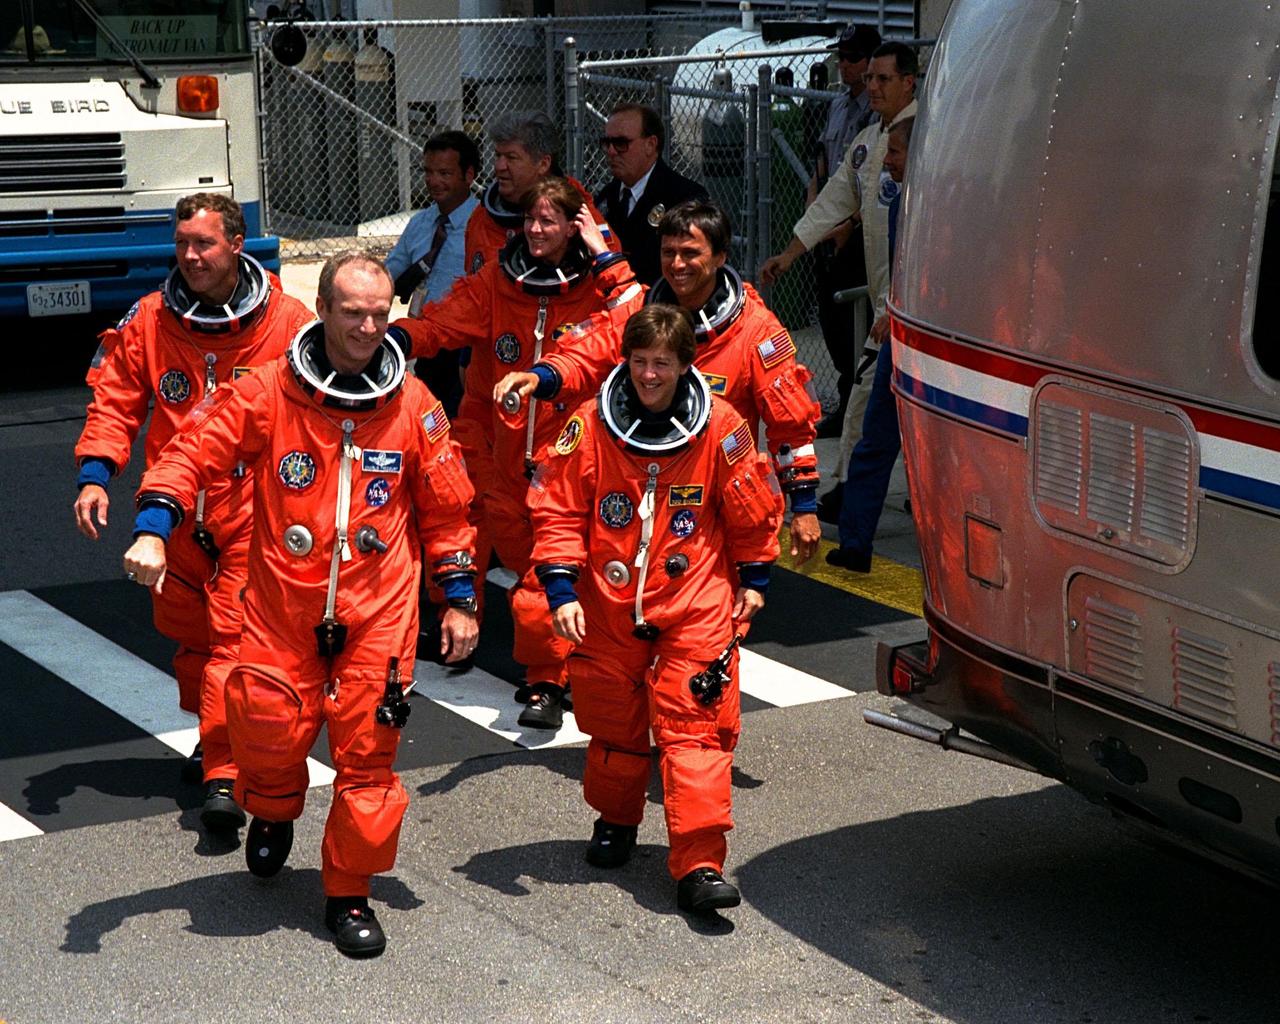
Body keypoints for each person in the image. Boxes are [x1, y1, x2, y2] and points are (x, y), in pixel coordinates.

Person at [122, 251, 479, 958]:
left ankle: (348, 893)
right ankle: (273, 809)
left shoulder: (413, 404)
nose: (369, 328)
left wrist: (460, 597)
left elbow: (447, 510)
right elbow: (190, 453)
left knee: (369, 761)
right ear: (322, 309)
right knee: (268, 731)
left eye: (379, 315)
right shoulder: (268, 391)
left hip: (378, 612)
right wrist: (154, 528)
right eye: (353, 313)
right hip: (282, 607)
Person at [528, 303, 783, 915]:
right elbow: (558, 508)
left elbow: (749, 506)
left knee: (695, 731)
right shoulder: (590, 424)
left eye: (662, 364)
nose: (648, 375)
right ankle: (616, 821)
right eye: (639, 361)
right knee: (615, 725)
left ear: (685, 366)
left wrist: (756, 577)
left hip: (694, 599)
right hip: (608, 602)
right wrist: (561, 590)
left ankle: (699, 863)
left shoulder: (721, 425)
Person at [73, 192, 313, 833]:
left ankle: (224, 776)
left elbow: (318, 413)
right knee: (192, 639)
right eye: (181, 244)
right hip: (172, 511)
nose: (190, 256)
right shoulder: (151, 319)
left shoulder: (287, 322)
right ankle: (215, 739)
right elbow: (115, 401)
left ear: (236, 243)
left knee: (233, 644)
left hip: (251, 509)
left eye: (203, 243)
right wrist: (95, 476)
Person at [392, 178, 635, 730]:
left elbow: (630, 322)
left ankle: (545, 681)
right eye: (530, 220)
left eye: (548, 221)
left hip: (567, 453)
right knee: (468, 532)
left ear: (575, 226)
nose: (535, 230)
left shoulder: (597, 288)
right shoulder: (498, 281)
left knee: (544, 574)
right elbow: (441, 323)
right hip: (501, 450)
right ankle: (461, 624)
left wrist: (604, 256)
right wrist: (396, 340)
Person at [494, 200, 822, 567]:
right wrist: (538, 376)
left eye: (690, 253)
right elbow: (588, 352)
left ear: (720, 257)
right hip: (637, 492)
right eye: (669, 253)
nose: (677, 264)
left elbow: (790, 423)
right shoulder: (642, 313)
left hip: (714, 500)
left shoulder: (756, 331)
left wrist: (804, 505)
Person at [761, 41, 917, 478]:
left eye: (883, 78)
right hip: (884, 299)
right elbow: (832, 201)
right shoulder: (869, 141)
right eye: (869, 78)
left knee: (876, 401)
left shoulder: (924, 138)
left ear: (909, 82)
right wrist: (790, 253)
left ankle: (851, 487)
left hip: (909, 302)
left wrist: (896, 305)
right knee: (878, 402)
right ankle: (855, 486)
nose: (872, 87)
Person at [827, 117, 914, 572]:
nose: (887, 162)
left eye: (895, 152)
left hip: (925, 346)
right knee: (875, 439)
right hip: (900, 337)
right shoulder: (900, 203)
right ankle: (855, 542)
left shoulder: (944, 206)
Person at [810, 23, 881, 437]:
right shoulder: (838, 105)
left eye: (853, 58)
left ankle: (861, 403)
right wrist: (814, 208)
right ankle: (846, 395)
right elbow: (822, 160)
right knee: (831, 315)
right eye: (842, 57)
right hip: (829, 225)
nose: (844, 65)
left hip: (859, 228)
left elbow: (872, 181)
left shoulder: (877, 110)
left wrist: (847, 225)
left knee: (859, 317)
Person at [384, 130, 481, 419]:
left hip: (465, 349)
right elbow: (387, 276)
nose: (433, 181)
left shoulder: (483, 226)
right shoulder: (420, 223)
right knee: (427, 419)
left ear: (469, 175)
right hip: (425, 342)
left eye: (444, 173)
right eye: (428, 172)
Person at [594, 103, 706, 286]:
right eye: (607, 143)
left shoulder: (685, 199)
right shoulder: (605, 197)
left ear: (650, 145)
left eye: (621, 143)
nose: (611, 151)